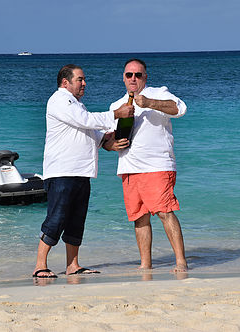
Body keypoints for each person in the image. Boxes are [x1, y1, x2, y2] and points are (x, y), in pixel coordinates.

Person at [33, 64, 134, 279]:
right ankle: (40, 265)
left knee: (76, 220)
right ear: (65, 82)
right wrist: (116, 113)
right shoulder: (59, 100)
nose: (84, 83)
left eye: (84, 79)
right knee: (56, 219)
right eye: (80, 79)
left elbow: (89, 132)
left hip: (81, 171)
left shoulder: (78, 105)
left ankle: (73, 265)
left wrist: (107, 140)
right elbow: (85, 121)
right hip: (62, 171)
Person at [105, 58, 188, 273]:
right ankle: (145, 265)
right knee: (139, 217)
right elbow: (105, 137)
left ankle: (180, 262)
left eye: (138, 75)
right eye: (129, 75)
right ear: (123, 77)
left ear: (145, 77)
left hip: (157, 165)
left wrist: (149, 103)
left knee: (164, 212)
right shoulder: (117, 105)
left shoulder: (159, 93)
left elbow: (180, 108)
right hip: (129, 167)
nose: (133, 78)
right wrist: (111, 145)